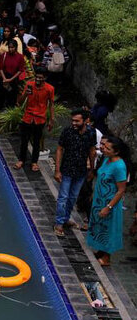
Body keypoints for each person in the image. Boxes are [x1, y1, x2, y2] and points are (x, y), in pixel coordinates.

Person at [87, 137, 130, 266]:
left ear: (116, 152)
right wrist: (94, 194)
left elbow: (121, 190)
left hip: (110, 203)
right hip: (99, 200)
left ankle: (107, 258)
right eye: (104, 146)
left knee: (108, 229)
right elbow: (100, 178)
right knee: (99, 226)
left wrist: (108, 207)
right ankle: (101, 251)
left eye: (107, 148)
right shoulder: (106, 160)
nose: (103, 149)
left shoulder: (119, 166)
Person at [54, 109, 97, 237]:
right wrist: (57, 170)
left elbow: (92, 151)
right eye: (72, 120)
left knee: (72, 197)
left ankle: (66, 218)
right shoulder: (67, 132)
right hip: (67, 169)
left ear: (85, 121)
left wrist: (92, 170)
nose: (73, 123)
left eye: (77, 121)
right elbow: (60, 149)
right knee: (63, 197)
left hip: (81, 171)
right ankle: (59, 223)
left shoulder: (91, 133)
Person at [14, 70, 55, 172]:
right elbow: (19, 101)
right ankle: (21, 160)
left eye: (40, 77)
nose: (38, 79)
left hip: (40, 119)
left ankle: (34, 162)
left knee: (36, 142)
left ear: (44, 78)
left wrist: (51, 120)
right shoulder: (29, 85)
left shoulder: (49, 89)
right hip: (28, 117)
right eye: (37, 77)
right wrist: (26, 95)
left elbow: (51, 105)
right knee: (24, 141)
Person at [0, 40, 24, 115]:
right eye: (9, 47)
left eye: (12, 47)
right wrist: (5, 79)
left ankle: (9, 114)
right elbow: (1, 68)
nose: (10, 49)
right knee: (0, 95)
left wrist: (10, 79)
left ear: (15, 47)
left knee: (11, 97)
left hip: (13, 79)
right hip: (4, 77)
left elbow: (20, 70)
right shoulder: (4, 55)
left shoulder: (20, 57)